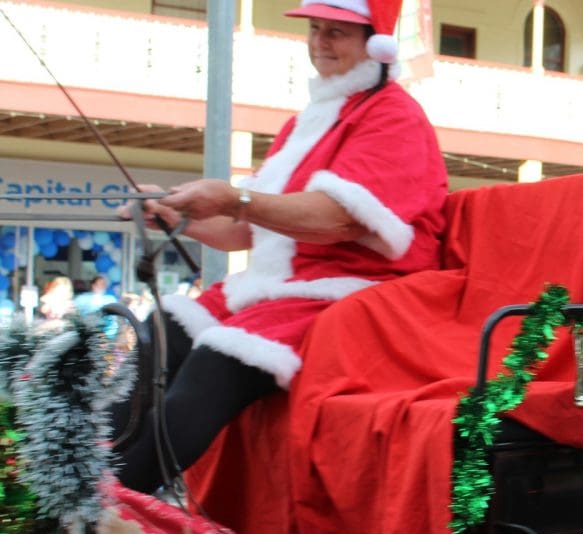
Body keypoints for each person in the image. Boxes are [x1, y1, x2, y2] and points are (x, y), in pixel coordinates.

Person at [115, 0, 448, 493]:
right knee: (159, 334)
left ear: (373, 43)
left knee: (217, 360)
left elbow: (338, 221)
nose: (319, 43)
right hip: (283, 290)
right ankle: (82, 485)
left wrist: (236, 197)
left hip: (356, 295)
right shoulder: (308, 122)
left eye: (337, 32)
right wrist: (176, 216)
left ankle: (104, 508)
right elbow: (250, 231)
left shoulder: (395, 114)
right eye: (315, 29)